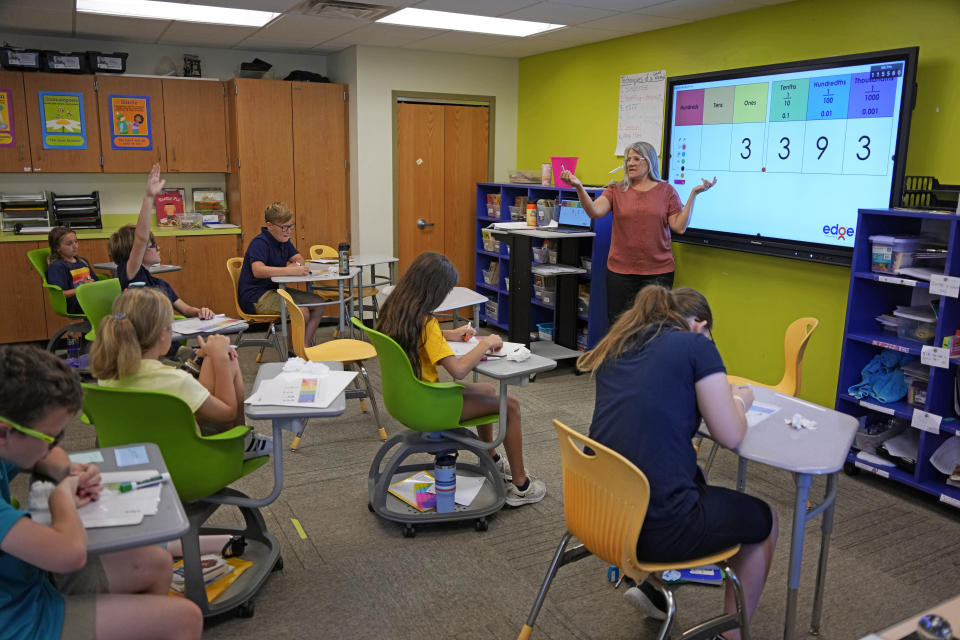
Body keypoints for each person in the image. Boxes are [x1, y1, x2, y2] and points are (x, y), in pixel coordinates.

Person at [577, 286, 777, 638]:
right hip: (654, 531)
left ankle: (654, 590)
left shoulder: (622, 342)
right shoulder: (696, 346)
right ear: (699, 326)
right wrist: (740, 399)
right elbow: (730, 435)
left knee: (681, 474)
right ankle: (730, 636)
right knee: (766, 520)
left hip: (599, 514)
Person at [0, 344, 203, 640]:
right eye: (51, 436)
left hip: (24, 582)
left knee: (157, 561)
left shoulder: (9, 439)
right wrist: (62, 496)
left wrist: (67, 470)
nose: (55, 445)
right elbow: (69, 555)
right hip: (19, 620)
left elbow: (51, 458)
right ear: (5, 432)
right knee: (186, 619)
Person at [376, 251, 546, 506]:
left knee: (488, 390)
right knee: (510, 405)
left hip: (404, 398)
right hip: (427, 406)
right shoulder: (426, 322)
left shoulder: (393, 309)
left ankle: (492, 459)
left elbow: (418, 333)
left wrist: (449, 334)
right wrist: (485, 343)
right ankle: (521, 485)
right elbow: (458, 370)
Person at [89, 286, 271, 459]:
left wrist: (200, 357)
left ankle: (245, 441)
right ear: (163, 334)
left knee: (210, 360)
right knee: (227, 360)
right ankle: (241, 441)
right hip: (187, 461)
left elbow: (173, 382)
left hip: (134, 460)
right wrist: (220, 359)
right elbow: (228, 413)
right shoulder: (176, 381)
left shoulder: (107, 375)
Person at [560, 140, 717, 326]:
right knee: (620, 328)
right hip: (620, 273)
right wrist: (578, 186)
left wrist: (694, 194)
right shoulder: (616, 190)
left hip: (658, 273)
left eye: (636, 158)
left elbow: (679, 227)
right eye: (628, 159)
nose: (630, 163)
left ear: (649, 162)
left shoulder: (667, 191)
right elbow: (594, 211)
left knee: (654, 328)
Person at [108, 163, 214, 321]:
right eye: (152, 245)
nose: (158, 248)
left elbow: (186, 309)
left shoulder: (161, 285)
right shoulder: (130, 273)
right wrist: (149, 196)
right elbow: (141, 238)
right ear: (137, 251)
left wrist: (201, 311)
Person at [237, 201, 325, 346]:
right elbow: (258, 270)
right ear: (269, 225)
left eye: (291, 226)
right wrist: (290, 270)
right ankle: (294, 353)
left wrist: (294, 266)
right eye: (284, 227)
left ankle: (303, 348)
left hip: (275, 291)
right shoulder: (260, 242)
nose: (288, 231)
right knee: (300, 311)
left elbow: (299, 259)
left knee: (318, 303)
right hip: (255, 296)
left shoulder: (284, 240)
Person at [45, 226, 96, 315]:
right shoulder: (57, 266)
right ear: (57, 247)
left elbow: (95, 281)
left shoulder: (83, 262)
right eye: (69, 244)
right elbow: (60, 294)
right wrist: (81, 288)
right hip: (73, 304)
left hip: (88, 297)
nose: (75, 246)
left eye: (76, 241)